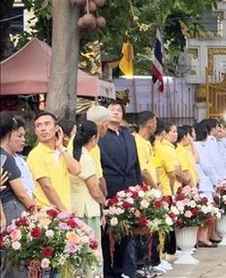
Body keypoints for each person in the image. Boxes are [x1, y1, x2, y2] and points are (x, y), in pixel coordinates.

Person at [98, 102, 142, 278]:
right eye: (112, 110)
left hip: (129, 187)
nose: (116, 113)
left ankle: (126, 268)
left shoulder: (127, 135)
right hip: (111, 187)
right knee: (110, 232)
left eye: (119, 110)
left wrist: (138, 188)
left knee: (128, 231)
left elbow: (136, 163)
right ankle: (111, 271)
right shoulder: (101, 136)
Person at [1, 113, 36, 278]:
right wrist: (34, 211)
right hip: (11, 210)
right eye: (19, 135)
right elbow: (21, 193)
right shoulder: (7, 158)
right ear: (9, 133)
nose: (23, 139)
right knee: (14, 259)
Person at [70, 121, 106, 277]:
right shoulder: (86, 158)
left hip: (75, 208)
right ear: (94, 138)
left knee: (78, 254)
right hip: (88, 210)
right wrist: (105, 203)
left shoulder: (70, 155)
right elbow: (94, 190)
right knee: (92, 252)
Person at [27, 111, 81, 211]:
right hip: (47, 212)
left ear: (57, 128)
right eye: (38, 126)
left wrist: (60, 147)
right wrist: (63, 211)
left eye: (47, 124)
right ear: (35, 131)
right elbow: (46, 186)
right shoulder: (36, 154)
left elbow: (77, 170)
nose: (43, 129)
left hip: (64, 212)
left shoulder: (61, 151)